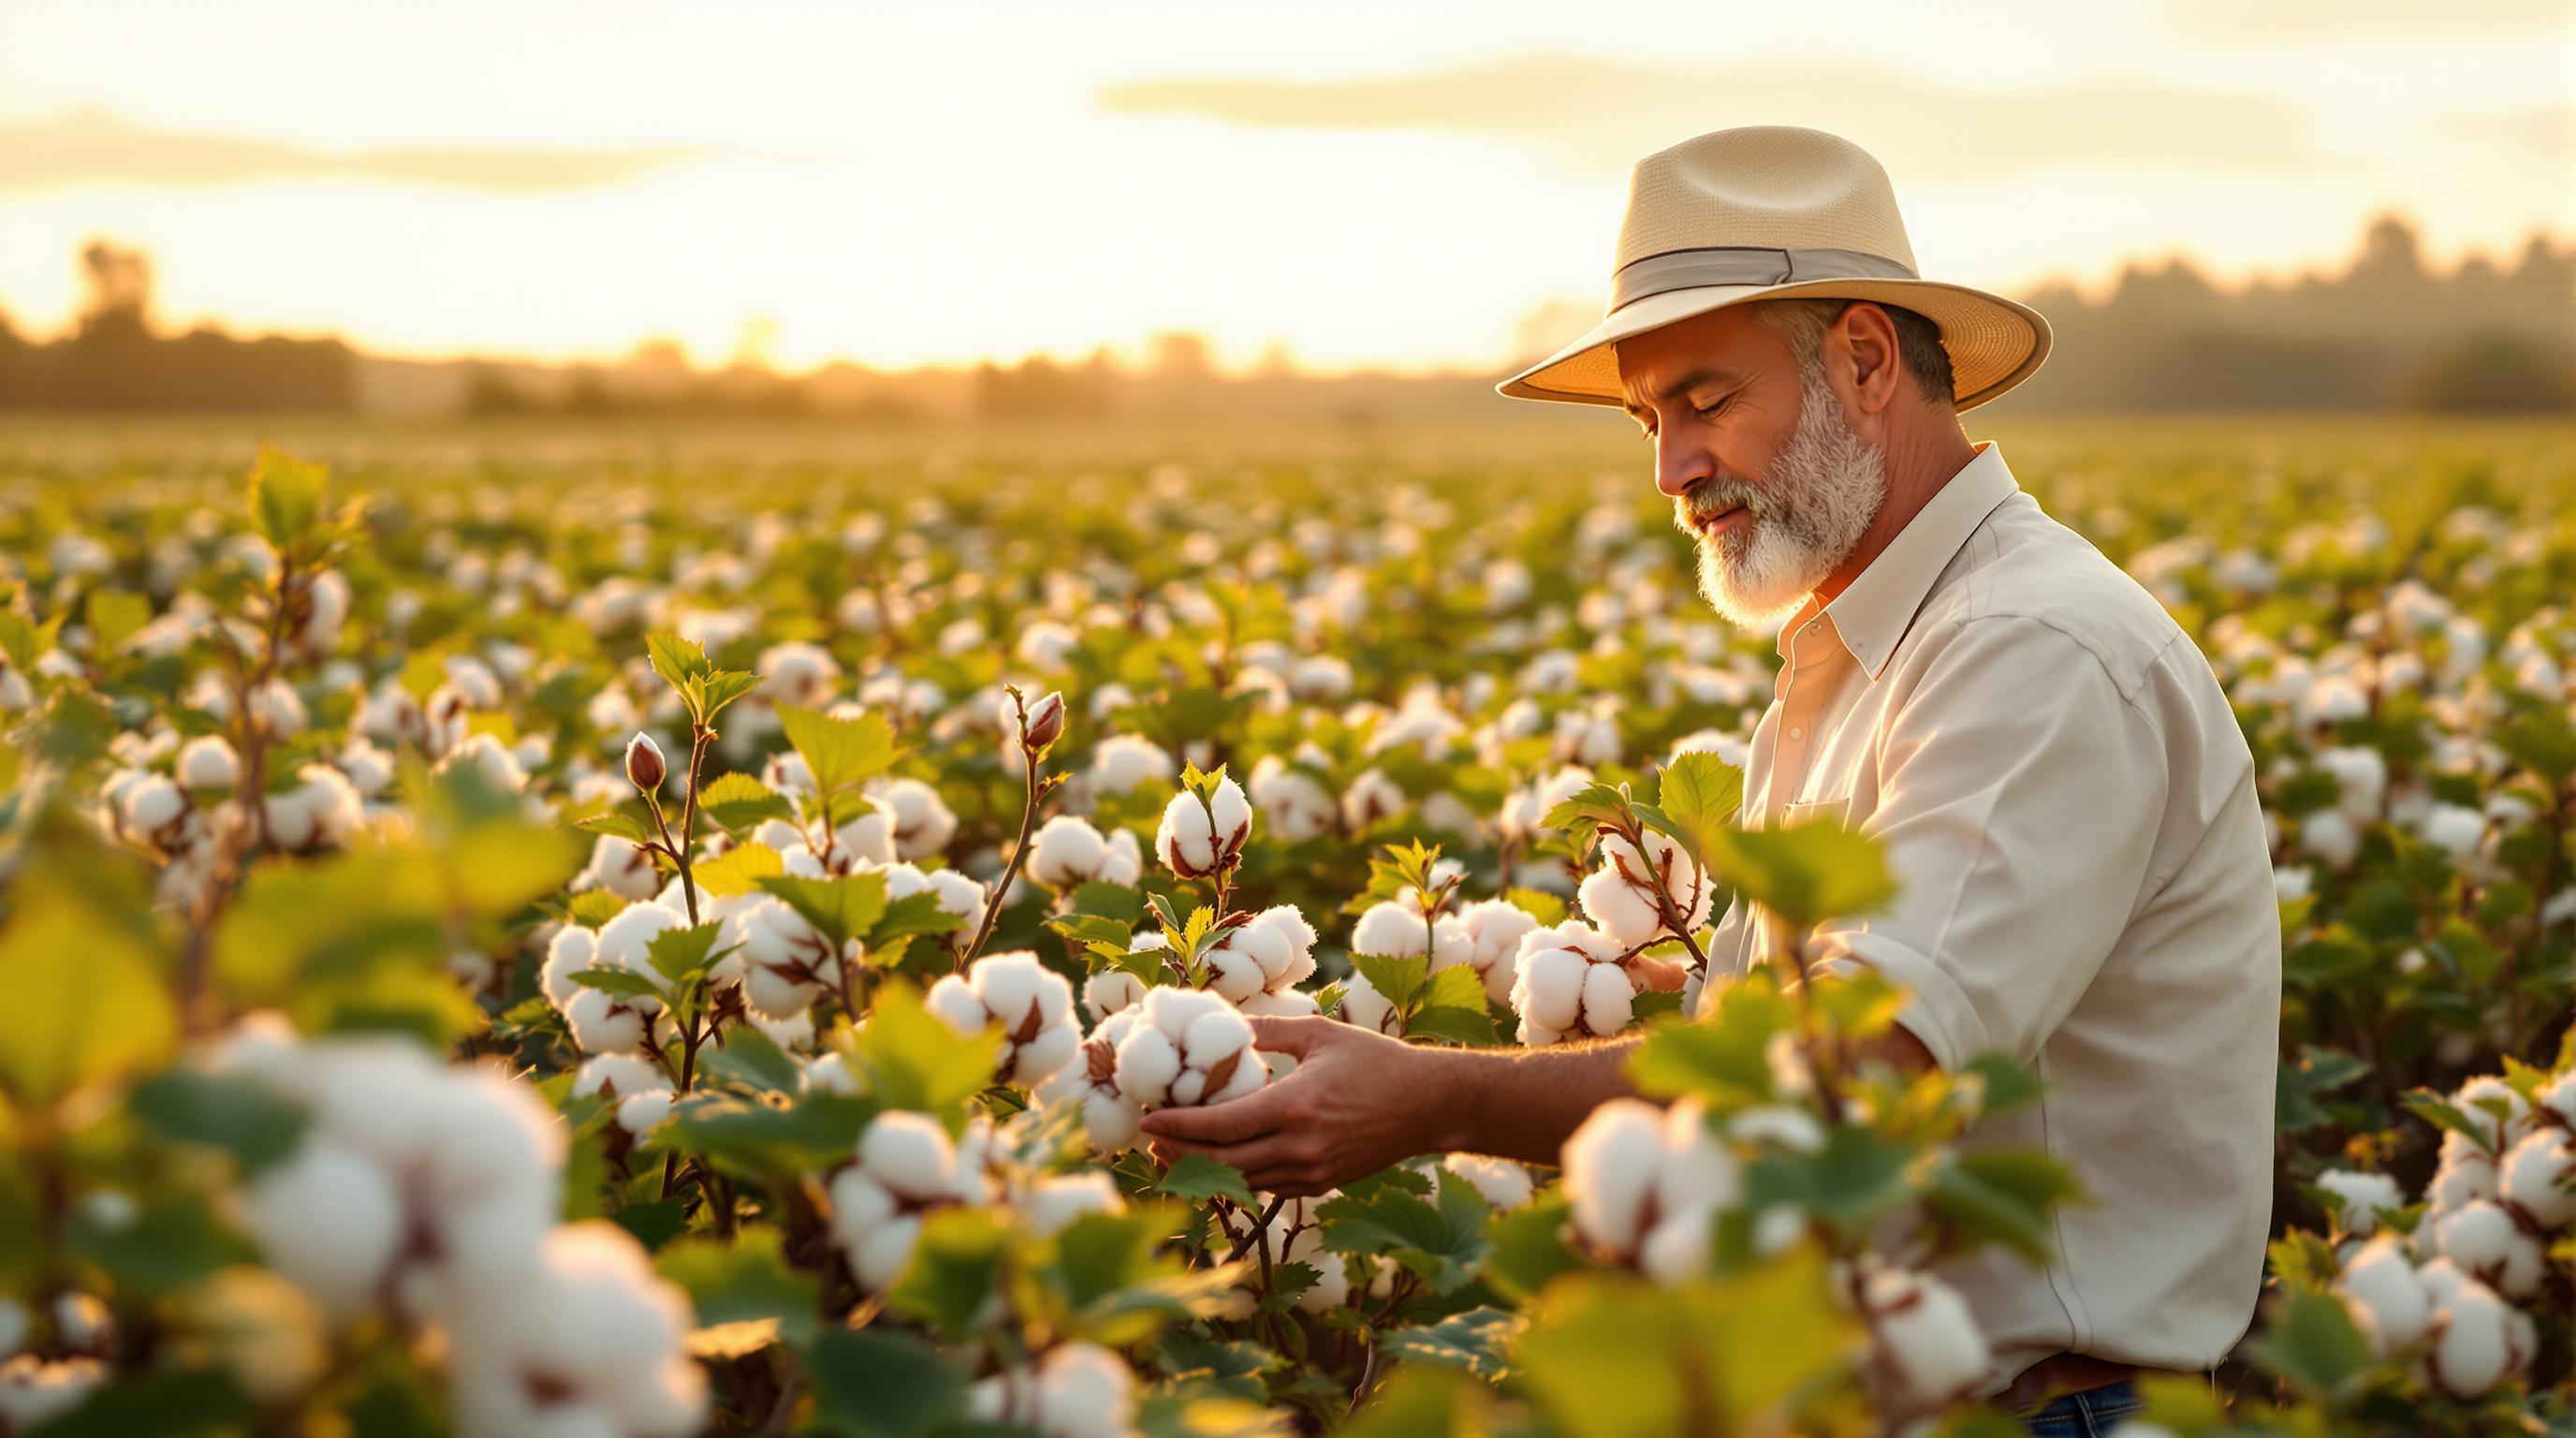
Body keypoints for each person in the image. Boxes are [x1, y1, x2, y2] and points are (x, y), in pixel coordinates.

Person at [1138, 125, 2279, 1431]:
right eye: (1648, 419)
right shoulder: (1867, 647)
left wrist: (1439, 1098)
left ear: (1862, 360)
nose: (1671, 471)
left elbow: (1852, 1076)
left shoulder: (2031, 652)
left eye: (1703, 400)